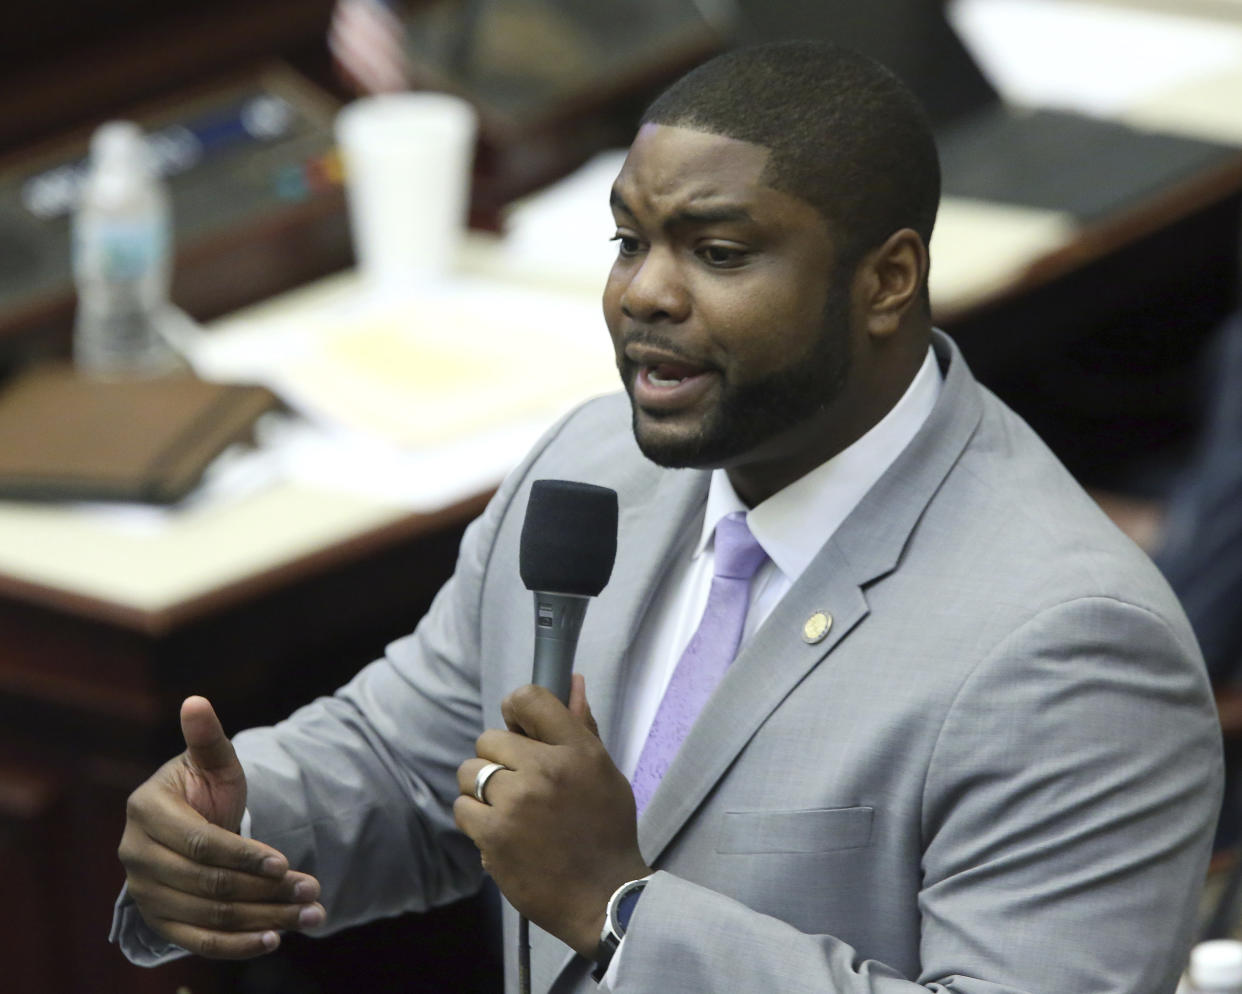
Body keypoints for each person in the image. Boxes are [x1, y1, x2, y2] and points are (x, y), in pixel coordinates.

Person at [112, 41, 1223, 993]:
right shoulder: (591, 468)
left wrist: (620, 909)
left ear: (886, 281)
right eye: (630, 241)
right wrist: (235, 818)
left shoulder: (1071, 643)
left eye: (718, 251)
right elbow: (413, 760)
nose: (644, 293)